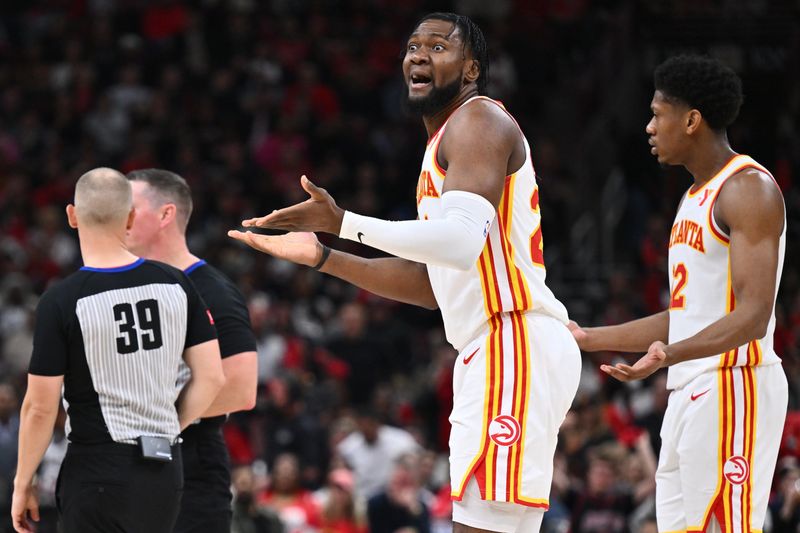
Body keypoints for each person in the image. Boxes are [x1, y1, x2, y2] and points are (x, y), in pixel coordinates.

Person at [229, 12, 581, 533]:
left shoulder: (478, 121)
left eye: (438, 47)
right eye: (413, 46)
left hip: (514, 338)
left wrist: (345, 222)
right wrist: (326, 255)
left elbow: (459, 245)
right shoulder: (443, 148)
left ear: (470, 70)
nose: (418, 54)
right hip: (495, 344)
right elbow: (430, 282)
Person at [570, 55, 788, 533]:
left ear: (691, 120)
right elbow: (684, 316)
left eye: (657, 114)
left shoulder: (748, 189)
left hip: (736, 383)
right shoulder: (693, 198)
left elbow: (753, 317)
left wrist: (669, 354)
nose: (649, 127)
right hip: (690, 389)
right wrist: (588, 338)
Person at [11, 168, 225, 533]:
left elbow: (39, 407)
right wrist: (168, 426)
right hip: (164, 472)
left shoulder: (61, 301)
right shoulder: (176, 281)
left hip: (97, 471)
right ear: (128, 217)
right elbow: (212, 378)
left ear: (72, 215)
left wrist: (22, 482)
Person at [126, 168, 258, 533]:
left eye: (129, 207)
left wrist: (152, 418)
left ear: (166, 215)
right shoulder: (124, 288)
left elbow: (241, 389)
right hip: (130, 464)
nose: (118, 217)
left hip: (190, 462)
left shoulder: (211, 290)